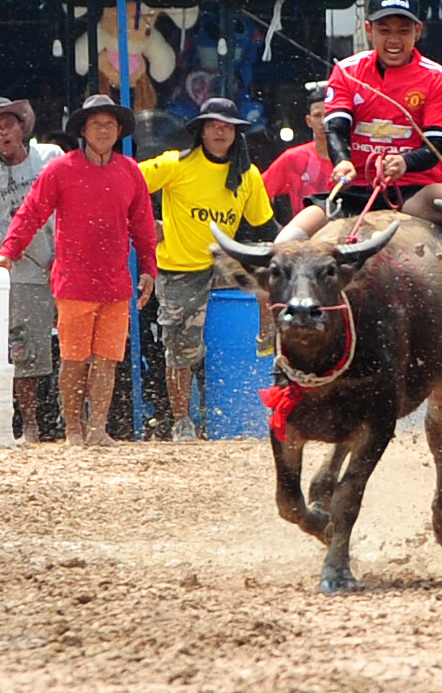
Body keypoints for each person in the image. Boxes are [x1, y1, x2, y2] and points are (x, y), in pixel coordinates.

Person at [274, 0, 442, 268]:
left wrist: (405, 163)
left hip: (410, 191)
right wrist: (343, 161)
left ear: (417, 32)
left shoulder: (437, 78)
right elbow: (336, 129)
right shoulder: (347, 71)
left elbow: (437, 148)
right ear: (369, 30)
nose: (393, 39)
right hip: (353, 191)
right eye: (384, 30)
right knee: (282, 244)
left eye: (403, 30)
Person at [0, 94, 156, 447]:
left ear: (119, 131)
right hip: (73, 283)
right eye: (96, 124)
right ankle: (74, 430)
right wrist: (8, 252)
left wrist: (149, 268)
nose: (103, 130)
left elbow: (144, 226)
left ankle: (98, 429)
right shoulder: (61, 169)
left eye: (110, 124)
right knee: (74, 359)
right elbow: (31, 213)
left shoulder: (130, 171)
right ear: (83, 130)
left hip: (116, 283)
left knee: (107, 360)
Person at [140, 97, 277, 441]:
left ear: (235, 133)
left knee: (270, 277)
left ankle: (267, 336)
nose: (220, 131)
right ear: (200, 130)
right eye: (214, 125)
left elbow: (266, 227)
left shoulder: (247, 174)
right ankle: (181, 421)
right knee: (181, 348)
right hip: (179, 268)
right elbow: (128, 185)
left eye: (227, 126)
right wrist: (145, 225)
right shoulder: (175, 164)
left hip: (221, 260)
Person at [0, 97, 63, 443]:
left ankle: (76, 424)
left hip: (66, 265)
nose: (2, 133)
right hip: (21, 274)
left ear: (21, 126)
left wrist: (65, 250)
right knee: (24, 351)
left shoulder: (50, 157)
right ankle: (31, 427)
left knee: (75, 348)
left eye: (7, 124)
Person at [262, 84, 333, 217]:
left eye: (329, 115)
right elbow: (258, 192)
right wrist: (272, 227)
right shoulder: (293, 158)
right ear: (308, 120)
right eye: (318, 115)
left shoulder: (356, 157)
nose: (323, 121)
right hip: (305, 235)